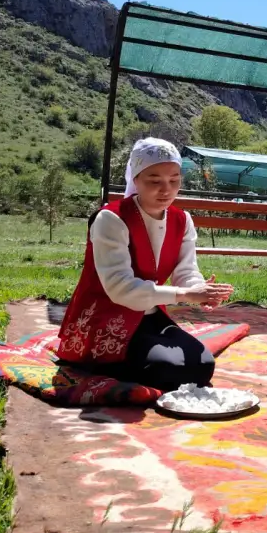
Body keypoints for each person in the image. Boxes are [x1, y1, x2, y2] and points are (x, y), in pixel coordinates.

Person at [57, 138, 234, 390]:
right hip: (106, 315)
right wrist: (186, 294)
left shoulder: (182, 219)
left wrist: (201, 291)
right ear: (135, 179)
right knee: (167, 370)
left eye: (174, 180)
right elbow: (119, 288)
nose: (166, 189)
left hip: (149, 314)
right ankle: (98, 364)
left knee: (203, 365)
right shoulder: (111, 218)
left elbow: (186, 270)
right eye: (154, 181)